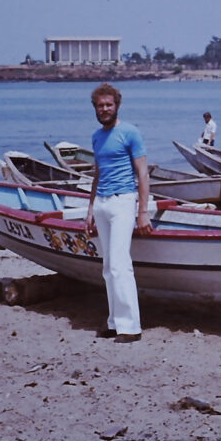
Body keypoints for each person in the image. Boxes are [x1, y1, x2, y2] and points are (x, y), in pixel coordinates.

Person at [84, 83, 153, 344]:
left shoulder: (130, 132)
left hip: (124, 201)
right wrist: (90, 209)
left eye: (108, 105)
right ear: (95, 108)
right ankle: (114, 322)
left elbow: (143, 174)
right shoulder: (96, 137)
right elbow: (98, 173)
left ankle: (131, 327)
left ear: (117, 106)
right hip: (102, 202)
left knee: (120, 265)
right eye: (100, 106)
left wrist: (142, 212)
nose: (104, 109)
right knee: (107, 267)